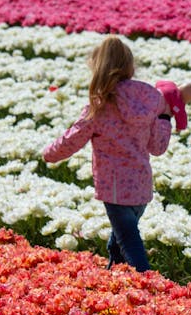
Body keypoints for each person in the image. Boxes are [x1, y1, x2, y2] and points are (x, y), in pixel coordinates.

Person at [43, 36, 173, 272]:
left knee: (129, 241)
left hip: (115, 190)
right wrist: (165, 118)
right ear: (131, 67)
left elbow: (73, 139)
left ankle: (148, 286)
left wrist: (49, 154)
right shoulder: (149, 102)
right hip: (141, 188)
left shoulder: (99, 106)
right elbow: (158, 147)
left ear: (97, 67)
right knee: (122, 236)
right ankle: (115, 274)